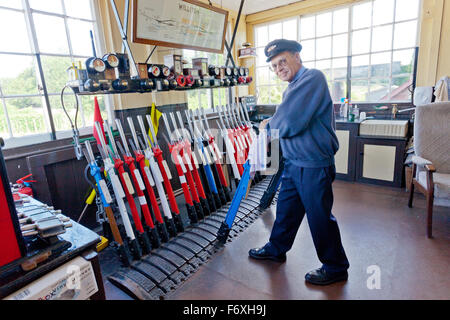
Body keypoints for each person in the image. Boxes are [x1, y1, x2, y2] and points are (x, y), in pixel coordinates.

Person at [249, 39, 350, 285]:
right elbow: (285, 115)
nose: (279, 68)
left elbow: (290, 120)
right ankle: (276, 248)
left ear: (297, 56)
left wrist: (269, 125)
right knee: (286, 209)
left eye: (282, 61)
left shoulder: (312, 78)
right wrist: (273, 124)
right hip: (294, 162)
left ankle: (335, 267)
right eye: (274, 66)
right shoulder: (292, 87)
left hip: (313, 163)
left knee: (319, 216)